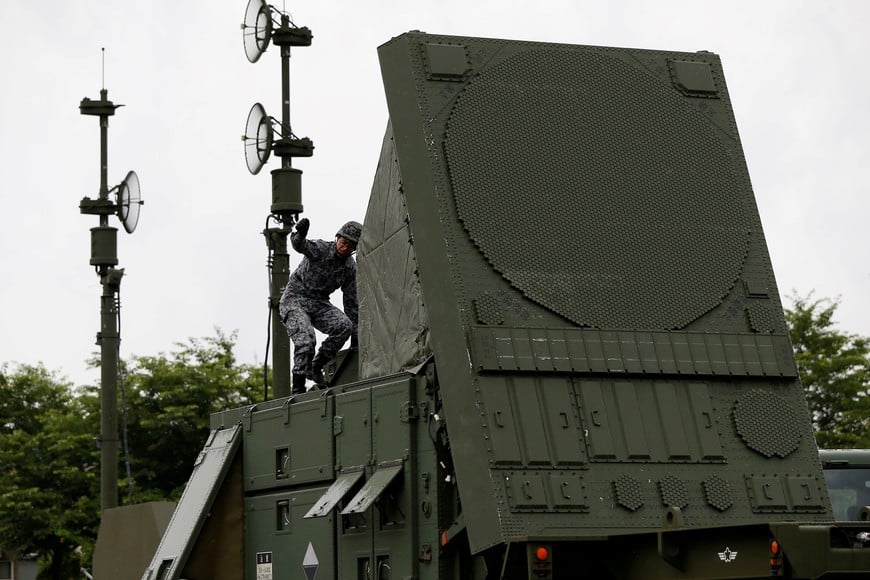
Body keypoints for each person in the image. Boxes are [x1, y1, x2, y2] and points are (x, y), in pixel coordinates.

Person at [279, 217, 362, 394]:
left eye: (350, 246)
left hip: (319, 303)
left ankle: (317, 365)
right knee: (306, 339)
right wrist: (300, 234)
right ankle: (298, 388)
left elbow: (351, 302)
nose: (345, 247)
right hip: (295, 298)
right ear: (337, 238)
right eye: (343, 242)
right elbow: (300, 245)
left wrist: (356, 332)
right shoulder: (321, 249)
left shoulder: (350, 268)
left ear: (354, 249)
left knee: (344, 326)